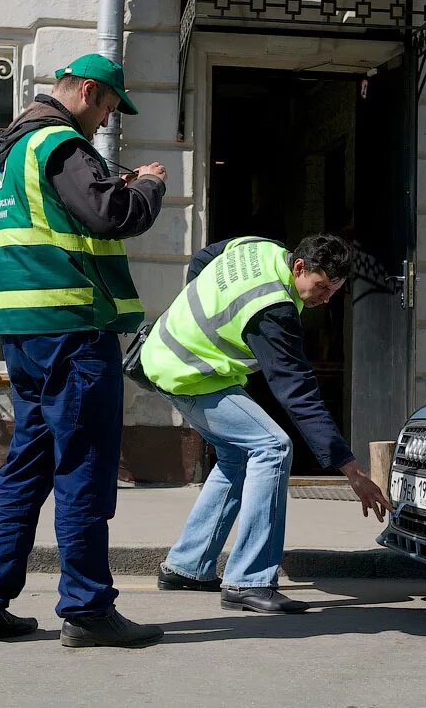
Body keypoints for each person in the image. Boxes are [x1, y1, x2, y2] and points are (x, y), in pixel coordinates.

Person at [0, 54, 168, 648]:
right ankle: (87, 609)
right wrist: (147, 186)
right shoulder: (62, 145)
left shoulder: (9, 152)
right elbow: (110, 214)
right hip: (73, 333)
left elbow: (59, 218)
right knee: (85, 469)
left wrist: (106, 184)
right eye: (106, 108)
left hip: (25, 333)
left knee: (28, 464)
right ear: (89, 93)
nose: (103, 123)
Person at [133, 233, 391, 614]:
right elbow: (299, 393)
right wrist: (351, 471)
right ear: (299, 267)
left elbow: (204, 257)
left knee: (237, 456)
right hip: (187, 375)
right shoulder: (273, 310)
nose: (325, 299)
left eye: (334, 291)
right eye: (321, 287)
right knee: (272, 446)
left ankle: (187, 566)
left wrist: (194, 311)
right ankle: (248, 580)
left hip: (168, 358)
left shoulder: (259, 247)